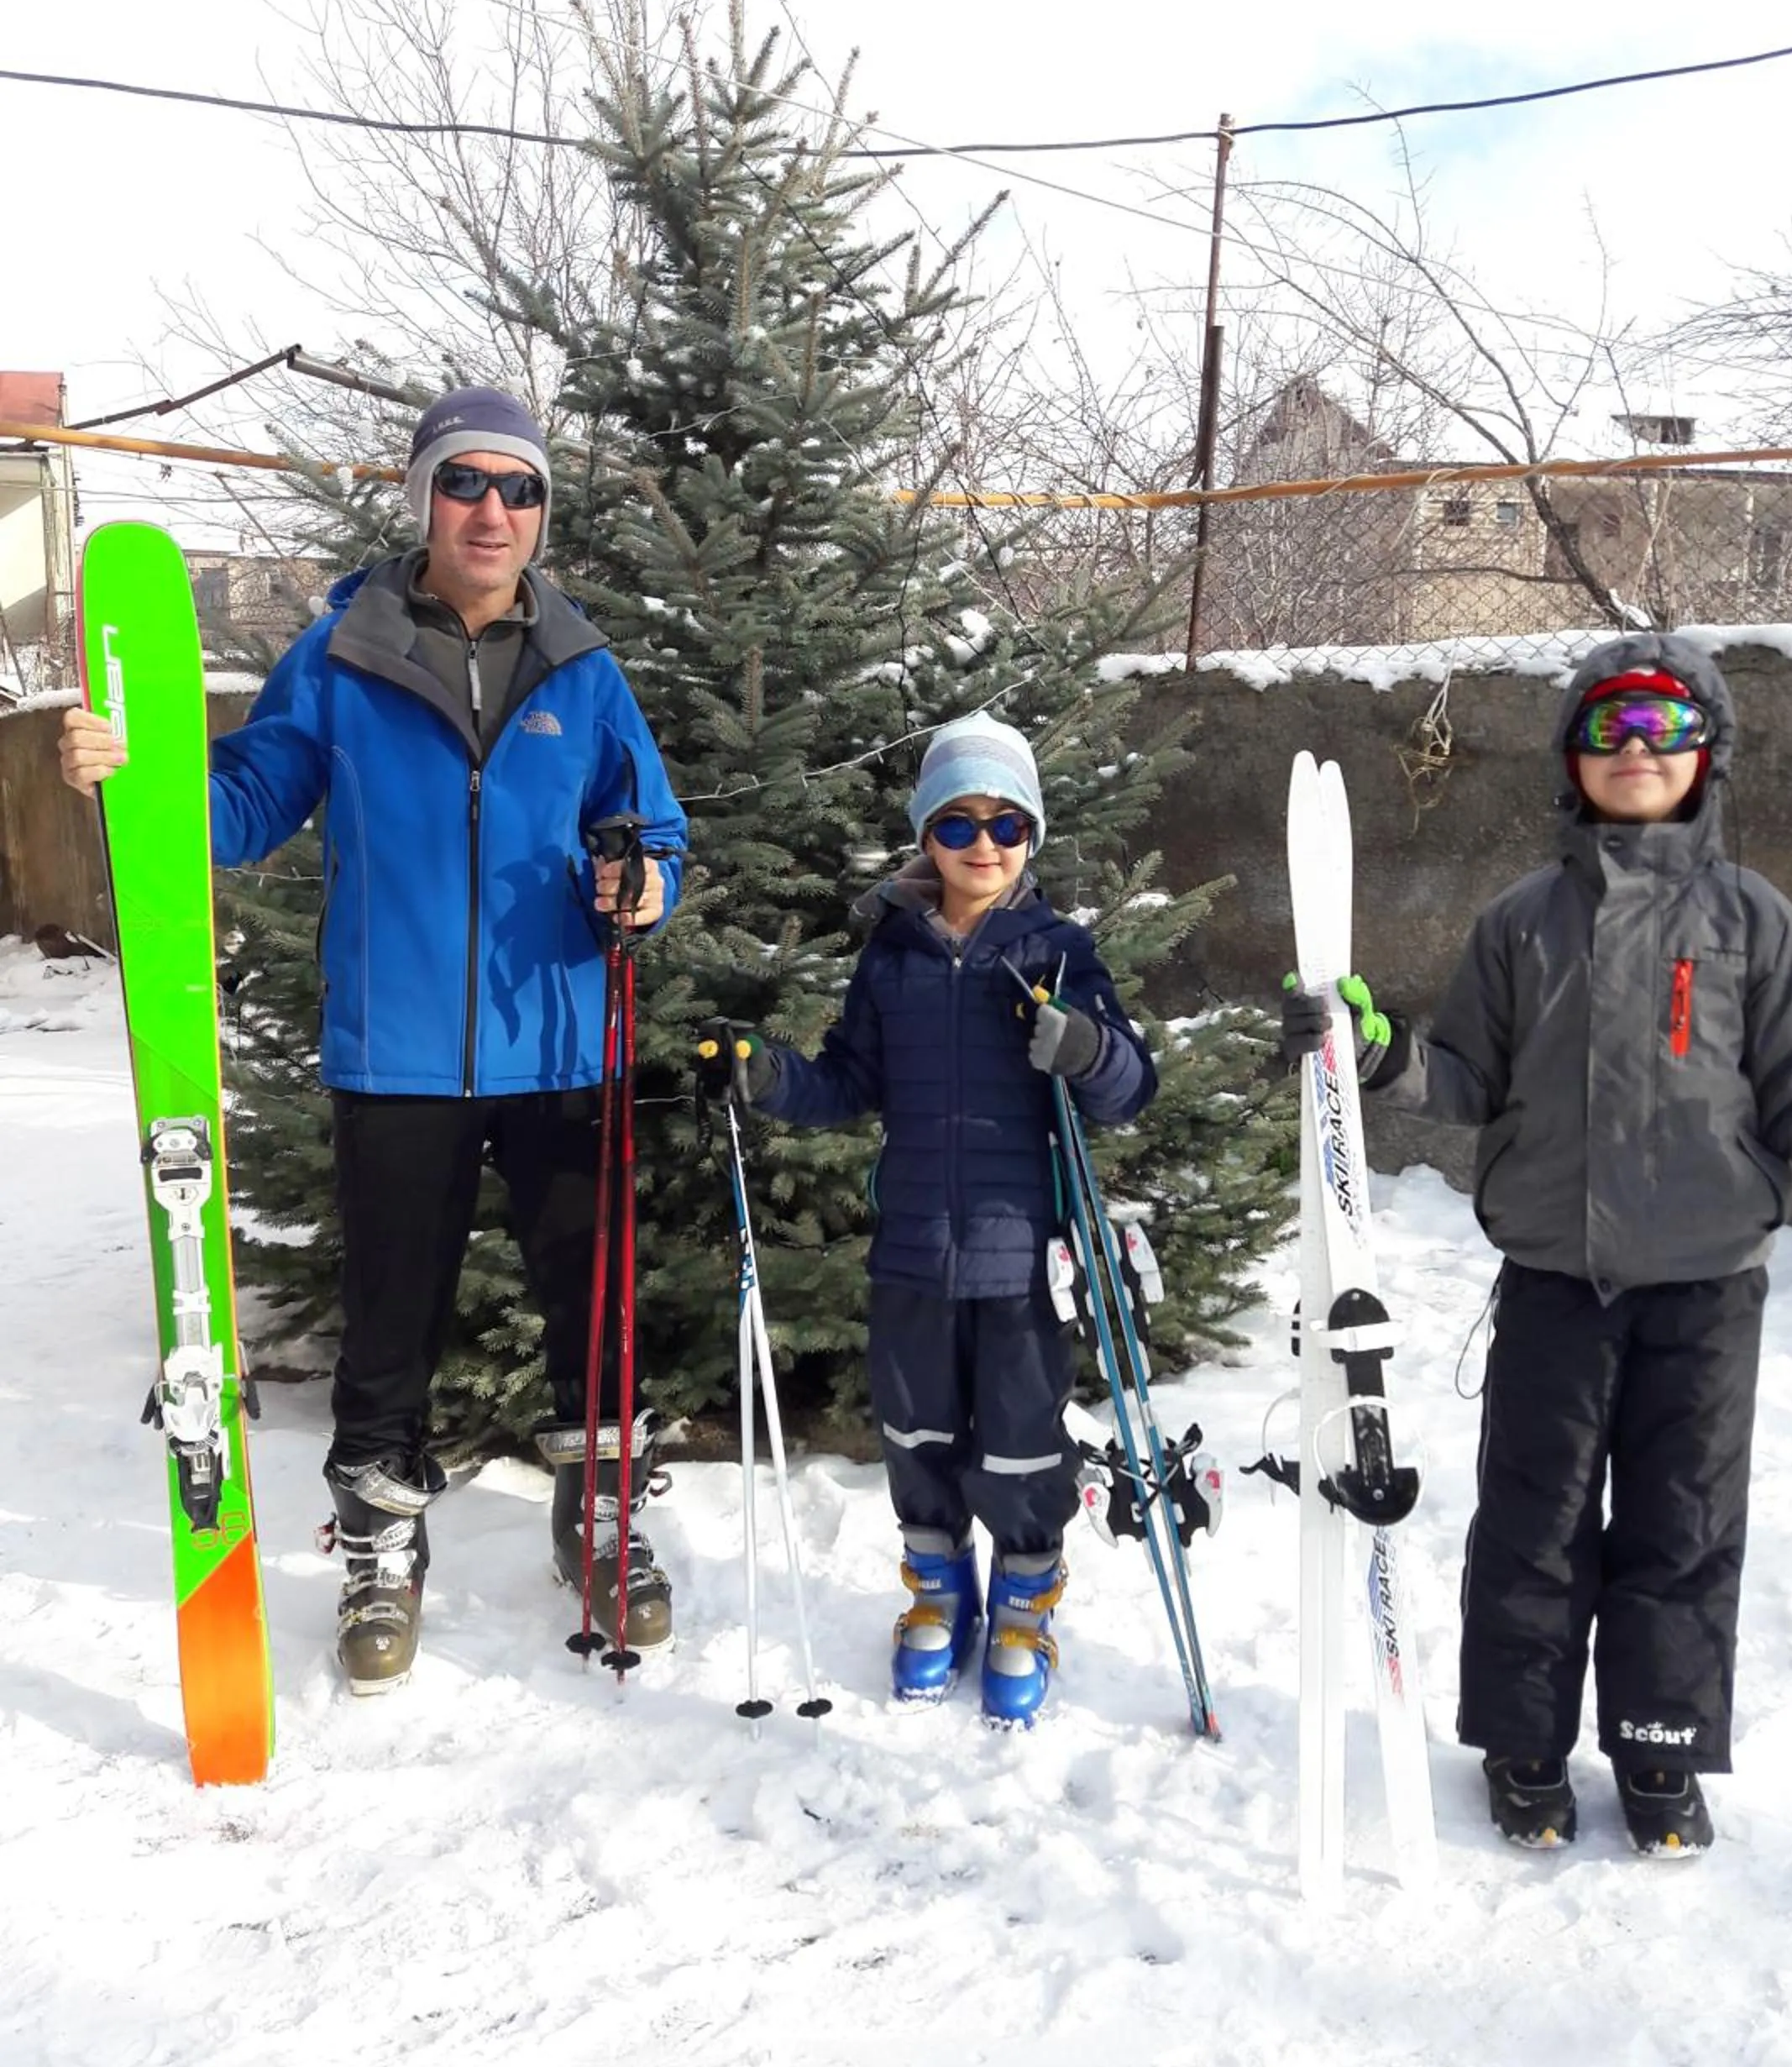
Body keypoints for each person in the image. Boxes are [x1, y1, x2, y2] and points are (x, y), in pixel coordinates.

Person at [60, 386, 689, 1696]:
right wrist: (132, 770)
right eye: (467, 483)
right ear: (423, 498)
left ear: (541, 515)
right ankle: (378, 1542)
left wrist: (647, 884)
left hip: (563, 1042)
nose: (493, 511)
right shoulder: (347, 650)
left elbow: (652, 826)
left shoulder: (583, 666)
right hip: (395, 1052)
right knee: (391, 1320)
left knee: (591, 1298)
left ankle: (603, 1515)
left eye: (520, 490)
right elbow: (243, 805)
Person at [1286, 636, 1792, 1855]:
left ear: (1703, 754)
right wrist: (1379, 1053)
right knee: (1535, 1515)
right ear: (1571, 754)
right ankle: (1522, 1744)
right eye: (1608, 729)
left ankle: (1659, 1751)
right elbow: (1461, 1076)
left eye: (1661, 730)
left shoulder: (1751, 919)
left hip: (1707, 1287)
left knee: (1681, 1521)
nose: (1633, 752)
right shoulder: (1521, 921)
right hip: (1558, 1275)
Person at [698, 715, 1157, 1726]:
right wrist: (770, 1076)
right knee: (918, 1430)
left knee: (1024, 1443)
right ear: (925, 839)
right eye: (957, 824)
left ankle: (1027, 1604)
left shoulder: (1057, 950)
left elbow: (1128, 1090)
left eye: (1006, 824)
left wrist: (1084, 1049)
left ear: (1031, 836)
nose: (982, 844)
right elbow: (850, 1083)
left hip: (1023, 1258)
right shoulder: (892, 958)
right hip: (911, 1250)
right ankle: (938, 1594)